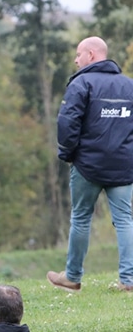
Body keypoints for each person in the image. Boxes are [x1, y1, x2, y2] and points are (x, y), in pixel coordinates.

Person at [48, 36, 133, 293]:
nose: (76, 59)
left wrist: (68, 153)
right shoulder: (128, 85)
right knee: (125, 219)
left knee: (81, 218)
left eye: (78, 54)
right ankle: (129, 280)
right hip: (123, 166)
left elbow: (67, 123)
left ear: (92, 55)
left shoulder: (81, 83)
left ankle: (72, 277)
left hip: (87, 166)